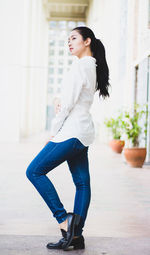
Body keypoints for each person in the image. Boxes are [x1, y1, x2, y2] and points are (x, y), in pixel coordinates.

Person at [26, 26, 110, 251]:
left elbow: (66, 107)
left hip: (71, 132)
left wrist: (53, 133)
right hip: (83, 133)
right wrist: (59, 100)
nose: (69, 43)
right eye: (67, 39)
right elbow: (71, 99)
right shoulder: (91, 67)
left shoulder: (80, 68)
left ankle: (64, 221)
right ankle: (76, 236)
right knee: (83, 183)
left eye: (74, 38)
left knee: (34, 171)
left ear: (87, 41)